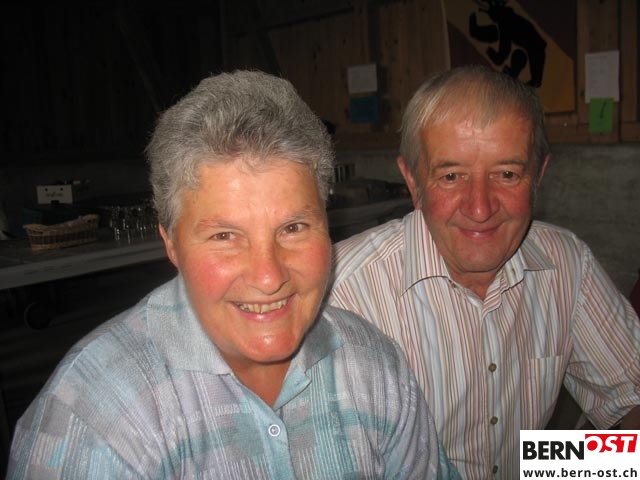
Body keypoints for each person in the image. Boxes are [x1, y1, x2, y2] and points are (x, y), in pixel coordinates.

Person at [7, 71, 459, 479]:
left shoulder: (375, 367)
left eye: (294, 228)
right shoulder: (94, 419)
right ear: (170, 243)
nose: (268, 276)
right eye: (225, 236)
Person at [328, 65, 640, 479]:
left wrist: (557, 467)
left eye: (507, 174)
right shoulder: (340, 294)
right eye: (451, 176)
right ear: (413, 181)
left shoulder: (567, 265)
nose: (480, 208)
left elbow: (629, 400)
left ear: (538, 176)